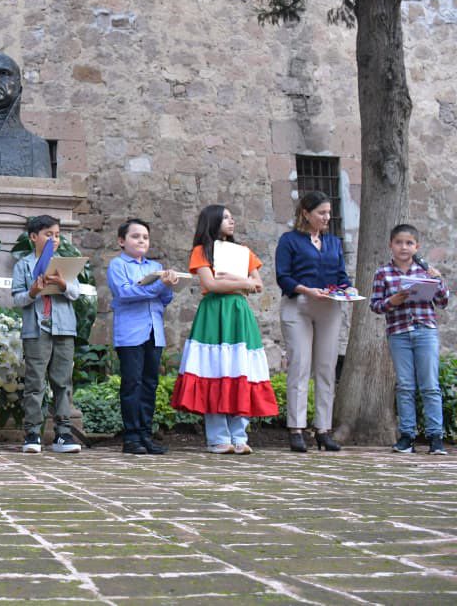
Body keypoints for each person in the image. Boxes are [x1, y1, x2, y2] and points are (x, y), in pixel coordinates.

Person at [171, 205, 278, 454]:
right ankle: (218, 437)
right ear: (213, 221)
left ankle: (239, 435)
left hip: (239, 313)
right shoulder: (201, 251)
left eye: (232, 217)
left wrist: (230, 280)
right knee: (214, 370)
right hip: (214, 314)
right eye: (226, 217)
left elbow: (258, 285)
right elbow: (210, 283)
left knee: (241, 368)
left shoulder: (244, 252)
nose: (232, 221)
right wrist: (242, 282)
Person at [275, 191, 354, 453]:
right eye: (321, 213)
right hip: (298, 305)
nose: (326, 217)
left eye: (329, 213)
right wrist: (307, 290)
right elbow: (282, 277)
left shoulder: (333, 243)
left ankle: (323, 429)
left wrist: (348, 291)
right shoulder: (289, 241)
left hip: (329, 307)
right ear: (305, 214)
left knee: (326, 368)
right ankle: (296, 429)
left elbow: (342, 275)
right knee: (299, 365)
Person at [370, 224, 450, 455]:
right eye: (399, 243)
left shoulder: (425, 271)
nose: (403, 247)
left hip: (425, 330)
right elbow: (375, 305)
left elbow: (443, 302)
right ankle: (407, 436)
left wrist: (438, 281)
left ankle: (435, 437)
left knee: (430, 385)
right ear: (391, 245)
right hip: (399, 332)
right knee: (405, 385)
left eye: (409, 243)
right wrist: (392, 301)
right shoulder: (383, 273)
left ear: (417, 246)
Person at [106, 218, 179, 455]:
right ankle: (131, 436)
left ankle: (146, 434)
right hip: (130, 333)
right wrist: (158, 287)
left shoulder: (154, 267)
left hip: (154, 331)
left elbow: (164, 300)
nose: (141, 241)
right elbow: (125, 292)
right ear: (121, 241)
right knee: (131, 384)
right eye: (135, 236)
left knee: (150, 383)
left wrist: (168, 285)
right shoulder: (118, 265)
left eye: (145, 237)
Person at [11, 215, 82, 454]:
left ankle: (63, 433)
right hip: (36, 328)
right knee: (35, 382)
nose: (54, 239)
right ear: (33, 237)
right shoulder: (23, 265)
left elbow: (76, 293)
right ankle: (32, 432)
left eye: (57, 235)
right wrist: (33, 291)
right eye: (48, 234)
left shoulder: (66, 264)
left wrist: (63, 284)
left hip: (63, 327)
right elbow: (18, 298)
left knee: (62, 381)